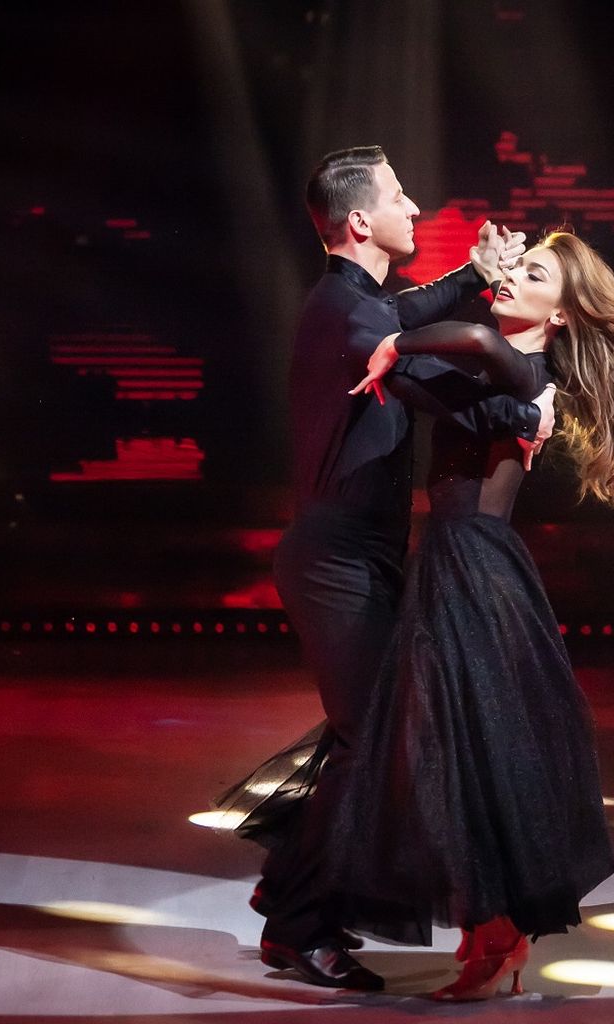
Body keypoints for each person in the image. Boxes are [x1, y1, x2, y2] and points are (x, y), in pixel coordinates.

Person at [321, 230, 614, 1000]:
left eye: (535, 274)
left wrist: (397, 342)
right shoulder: (491, 372)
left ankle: (495, 935)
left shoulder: (528, 371)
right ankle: (488, 932)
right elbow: (422, 370)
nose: (513, 278)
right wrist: (392, 351)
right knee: (448, 751)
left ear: (561, 314)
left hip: (474, 568)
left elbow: (470, 342)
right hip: (455, 563)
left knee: (462, 749)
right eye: (517, 267)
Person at [249, 146, 556, 991]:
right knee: (371, 743)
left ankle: (290, 893)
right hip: (333, 561)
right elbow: (421, 349)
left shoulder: (362, 304)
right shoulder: (344, 314)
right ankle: (297, 926)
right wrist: (527, 396)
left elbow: (410, 315)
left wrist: (473, 278)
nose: (414, 206)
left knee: (378, 738)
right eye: (397, 195)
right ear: (359, 220)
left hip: (366, 559)